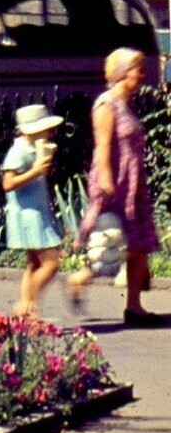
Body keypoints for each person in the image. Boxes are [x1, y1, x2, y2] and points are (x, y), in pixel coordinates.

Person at [68, 48, 161, 327]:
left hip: (133, 184)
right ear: (122, 73)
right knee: (111, 242)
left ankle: (134, 307)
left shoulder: (126, 104)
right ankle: (79, 278)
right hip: (114, 184)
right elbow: (103, 145)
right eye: (138, 70)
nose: (143, 75)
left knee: (138, 244)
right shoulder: (106, 104)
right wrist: (107, 182)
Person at [1, 102, 65, 316]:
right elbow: (8, 183)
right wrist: (36, 170)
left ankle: (26, 312)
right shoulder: (18, 151)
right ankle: (27, 304)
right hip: (29, 215)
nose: (50, 133)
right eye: (46, 129)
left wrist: (41, 167)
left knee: (34, 263)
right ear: (34, 130)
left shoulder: (32, 149)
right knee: (52, 262)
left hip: (35, 210)